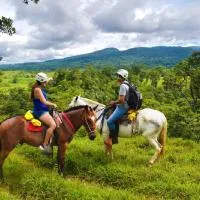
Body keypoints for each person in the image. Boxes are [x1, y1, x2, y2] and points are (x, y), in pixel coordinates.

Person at [31, 72, 57, 153]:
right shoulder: (38, 90)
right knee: (53, 125)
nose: (46, 82)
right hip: (40, 111)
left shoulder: (39, 86)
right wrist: (53, 104)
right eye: (45, 81)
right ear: (41, 82)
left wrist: (50, 79)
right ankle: (44, 145)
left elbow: (45, 81)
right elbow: (44, 102)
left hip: (44, 110)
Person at [106, 69, 130, 145]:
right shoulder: (128, 84)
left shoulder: (123, 86)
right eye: (118, 76)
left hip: (123, 107)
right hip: (127, 105)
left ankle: (114, 138)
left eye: (119, 76)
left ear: (123, 77)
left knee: (109, 121)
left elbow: (121, 100)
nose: (118, 78)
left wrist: (113, 102)